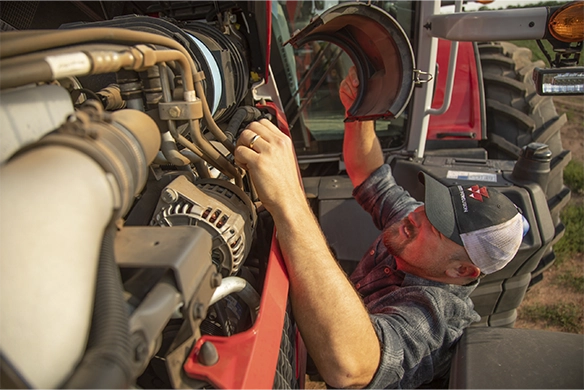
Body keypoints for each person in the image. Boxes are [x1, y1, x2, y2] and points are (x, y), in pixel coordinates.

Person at [233, 67, 525, 389]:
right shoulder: (414, 223)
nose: (417, 216)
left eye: (438, 226)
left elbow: (351, 367)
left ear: (461, 271)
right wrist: (361, 110)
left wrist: (291, 203)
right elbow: (369, 173)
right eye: (434, 205)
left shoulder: (439, 316)